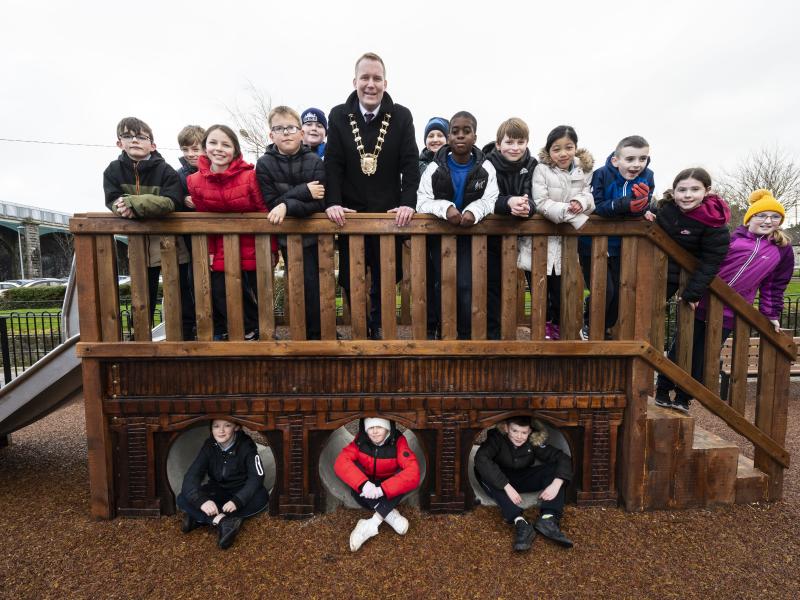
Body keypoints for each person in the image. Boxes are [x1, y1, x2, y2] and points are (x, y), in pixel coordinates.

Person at [324, 52, 420, 339]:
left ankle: (380, 327)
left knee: (385, 277)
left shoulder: (401, 116)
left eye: (376, 78)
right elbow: (333, 163)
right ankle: (360, 328)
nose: (370, 84)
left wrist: (407, 202)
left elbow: (410, 164)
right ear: (355, 81)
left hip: (388, 214)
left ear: (385, 83)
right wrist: (332, 202)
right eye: (365, 77)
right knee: (351, 277)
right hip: (350, 215)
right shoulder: (339, 115)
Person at [647, 168, 731, 412]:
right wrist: (648, 217)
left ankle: (683, 395)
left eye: (694, 189)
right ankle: (661, 390)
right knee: (642, 313)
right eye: (682, 190)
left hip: (688, 279)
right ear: (673, 192)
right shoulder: (667, 210)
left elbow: (711, 261)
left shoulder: (714, 222)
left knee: (688, 341)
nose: (687, 195)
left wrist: (693, 292)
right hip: (662, 271)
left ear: (707, 192)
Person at [103, 117, 193, 339]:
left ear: (153, 145)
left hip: (170, 242)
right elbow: (113, 200)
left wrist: (134, 203)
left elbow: (172, 202)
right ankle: (140, 337)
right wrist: (123, 207)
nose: (134, 140)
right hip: (138, 243)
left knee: (181, 291)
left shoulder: (166, 171)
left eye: (141, 137)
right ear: (119, 143)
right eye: (128, 136)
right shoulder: (113, 171)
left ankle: (186, 334)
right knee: (142, 293)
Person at [187, 124, 276, 340]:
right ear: (205, 147)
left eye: (226, 144)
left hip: (254, 247)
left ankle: (263, 334)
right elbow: (203, 220)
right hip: (220, 249)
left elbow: (265, 212)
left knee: (257, 294)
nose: (219, 149)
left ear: (235, 150)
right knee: (220, 292)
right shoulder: (194, 181)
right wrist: (207, 251)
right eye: (213, 143)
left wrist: (272, 250)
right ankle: (241, 332)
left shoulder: (249, 176)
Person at [416, 111, 500, 339]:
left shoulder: (486, 168)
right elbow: (422, 201)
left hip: (472, 236)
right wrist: (446, 208)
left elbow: (491, 199)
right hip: (441, 236)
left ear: (475, 136)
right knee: (440, 285)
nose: (460, 136)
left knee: (466, 286)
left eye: (466, 131)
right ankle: (443, 333)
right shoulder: (435, 168)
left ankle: (464, 335)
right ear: (449, 136)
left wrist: (474, 211)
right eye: (455, 132)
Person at [256, 106, 326, 339]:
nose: (285, 133)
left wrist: (286, 205)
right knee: (292, 285)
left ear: (300, 133)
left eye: (291, 128)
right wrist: (304, 191)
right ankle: (296, 335)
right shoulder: (264, 164)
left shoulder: (314, 161)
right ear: (271, 135)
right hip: (283, 237)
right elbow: (270, 204)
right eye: (279, 128)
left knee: (317, 286)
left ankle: (317, 335)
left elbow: (319, 203)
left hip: (314, 236)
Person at [579, 135, 655, 339]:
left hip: (624, 247)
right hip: (593, 245)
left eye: (642, 159)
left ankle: (604, 328)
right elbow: (597, 206)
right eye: (630, 159)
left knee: (621, 291)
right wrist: (626, 204)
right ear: (616, 160)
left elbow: (643, 206)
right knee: (605, 290)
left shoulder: (648, 177)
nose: (636, 164)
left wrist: (643, 209)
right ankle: (590, 325)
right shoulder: (601, 175)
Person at [522, 125, 594, 340]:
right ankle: (542, 328)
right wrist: (571, 212)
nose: (563, 153)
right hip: (540, 242)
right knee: (538, 289)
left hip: (567, 245)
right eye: (556, 149)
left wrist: (579, 203)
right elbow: (541, 202)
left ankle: (558, 327)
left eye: (568, 147)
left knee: (562, 290)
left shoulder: (584, 170)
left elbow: (588, 197)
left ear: (576, 148)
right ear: (549, 150)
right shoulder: (541, 169)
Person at [474, 416, 574, 551]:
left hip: (523, 477)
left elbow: (563, 458)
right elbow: (481, 458)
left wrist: (556, 484)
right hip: (501, 480)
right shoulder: (496, 439)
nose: (519, 436)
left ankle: (548, 519)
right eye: (515, 431)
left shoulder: (533, 440)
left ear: (530, 432)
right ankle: (520, 523)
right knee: (484, 472)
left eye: (524, 432)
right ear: (506, 428)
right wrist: (506, 486)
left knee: (556, 470)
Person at [176, 418, 268, 550]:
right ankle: (222, 521)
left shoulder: (246, 446)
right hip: (217, 490)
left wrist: (237, 501)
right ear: (211, 428)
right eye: (216, 426)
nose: (221, 431)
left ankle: (199, 518)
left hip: (239, 491)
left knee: (261, 497)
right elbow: (191, 477)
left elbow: (257, 477)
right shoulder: (209, 446)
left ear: (236, 427)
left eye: (227, 425)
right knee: (182, 498)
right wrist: (202, 501)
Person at [334, 417, 420, 552]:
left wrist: (382, 490)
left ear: (387, 428)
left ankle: (371, 524)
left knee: (401, 480)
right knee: (354, 480)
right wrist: (364, 484)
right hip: (366, 490)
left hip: (387, 487)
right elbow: (341, 462)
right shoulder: (361, 441)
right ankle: (389, 514)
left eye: (379, 427)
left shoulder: (397, 441)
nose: (374, 432)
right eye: (370, 428)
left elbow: (413, 472)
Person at [176, 125, 205, 202]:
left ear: (206, 149)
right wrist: (184, 199)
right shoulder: (179, 175)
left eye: (195, 149)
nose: (190, 154)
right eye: (185, 150)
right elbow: (176, 197)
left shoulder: (218, 170)